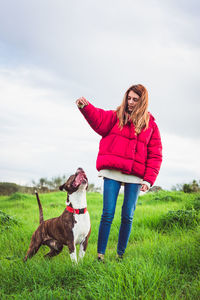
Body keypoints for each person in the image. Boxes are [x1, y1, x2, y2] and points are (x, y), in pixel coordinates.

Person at [75, 84, 162, 261]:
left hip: (135, 175)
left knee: (128, 216)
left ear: (142, 101)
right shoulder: (116, 116)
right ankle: (100, 255)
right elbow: (98, 118)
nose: (130, 102)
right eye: (128, 98)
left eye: (135, 99)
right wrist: (86, 107)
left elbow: (155, 154)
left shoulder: (150, 125)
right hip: (112, 170)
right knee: (108, 213)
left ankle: (120, 255)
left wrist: (148, 180)